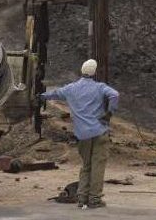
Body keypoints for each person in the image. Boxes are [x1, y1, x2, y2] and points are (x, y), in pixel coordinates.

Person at [41, 59, 119, 209]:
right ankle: (94, 199)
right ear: (95, 73)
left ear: (81, 71)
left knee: (86, 166)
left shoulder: (71, 88)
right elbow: (114, 95)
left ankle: (82, 198)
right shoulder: (100, 87)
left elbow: (54, 94)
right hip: (99, 131)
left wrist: (41, 96)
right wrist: (109, 113)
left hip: (82, 134)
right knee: (98, 165)